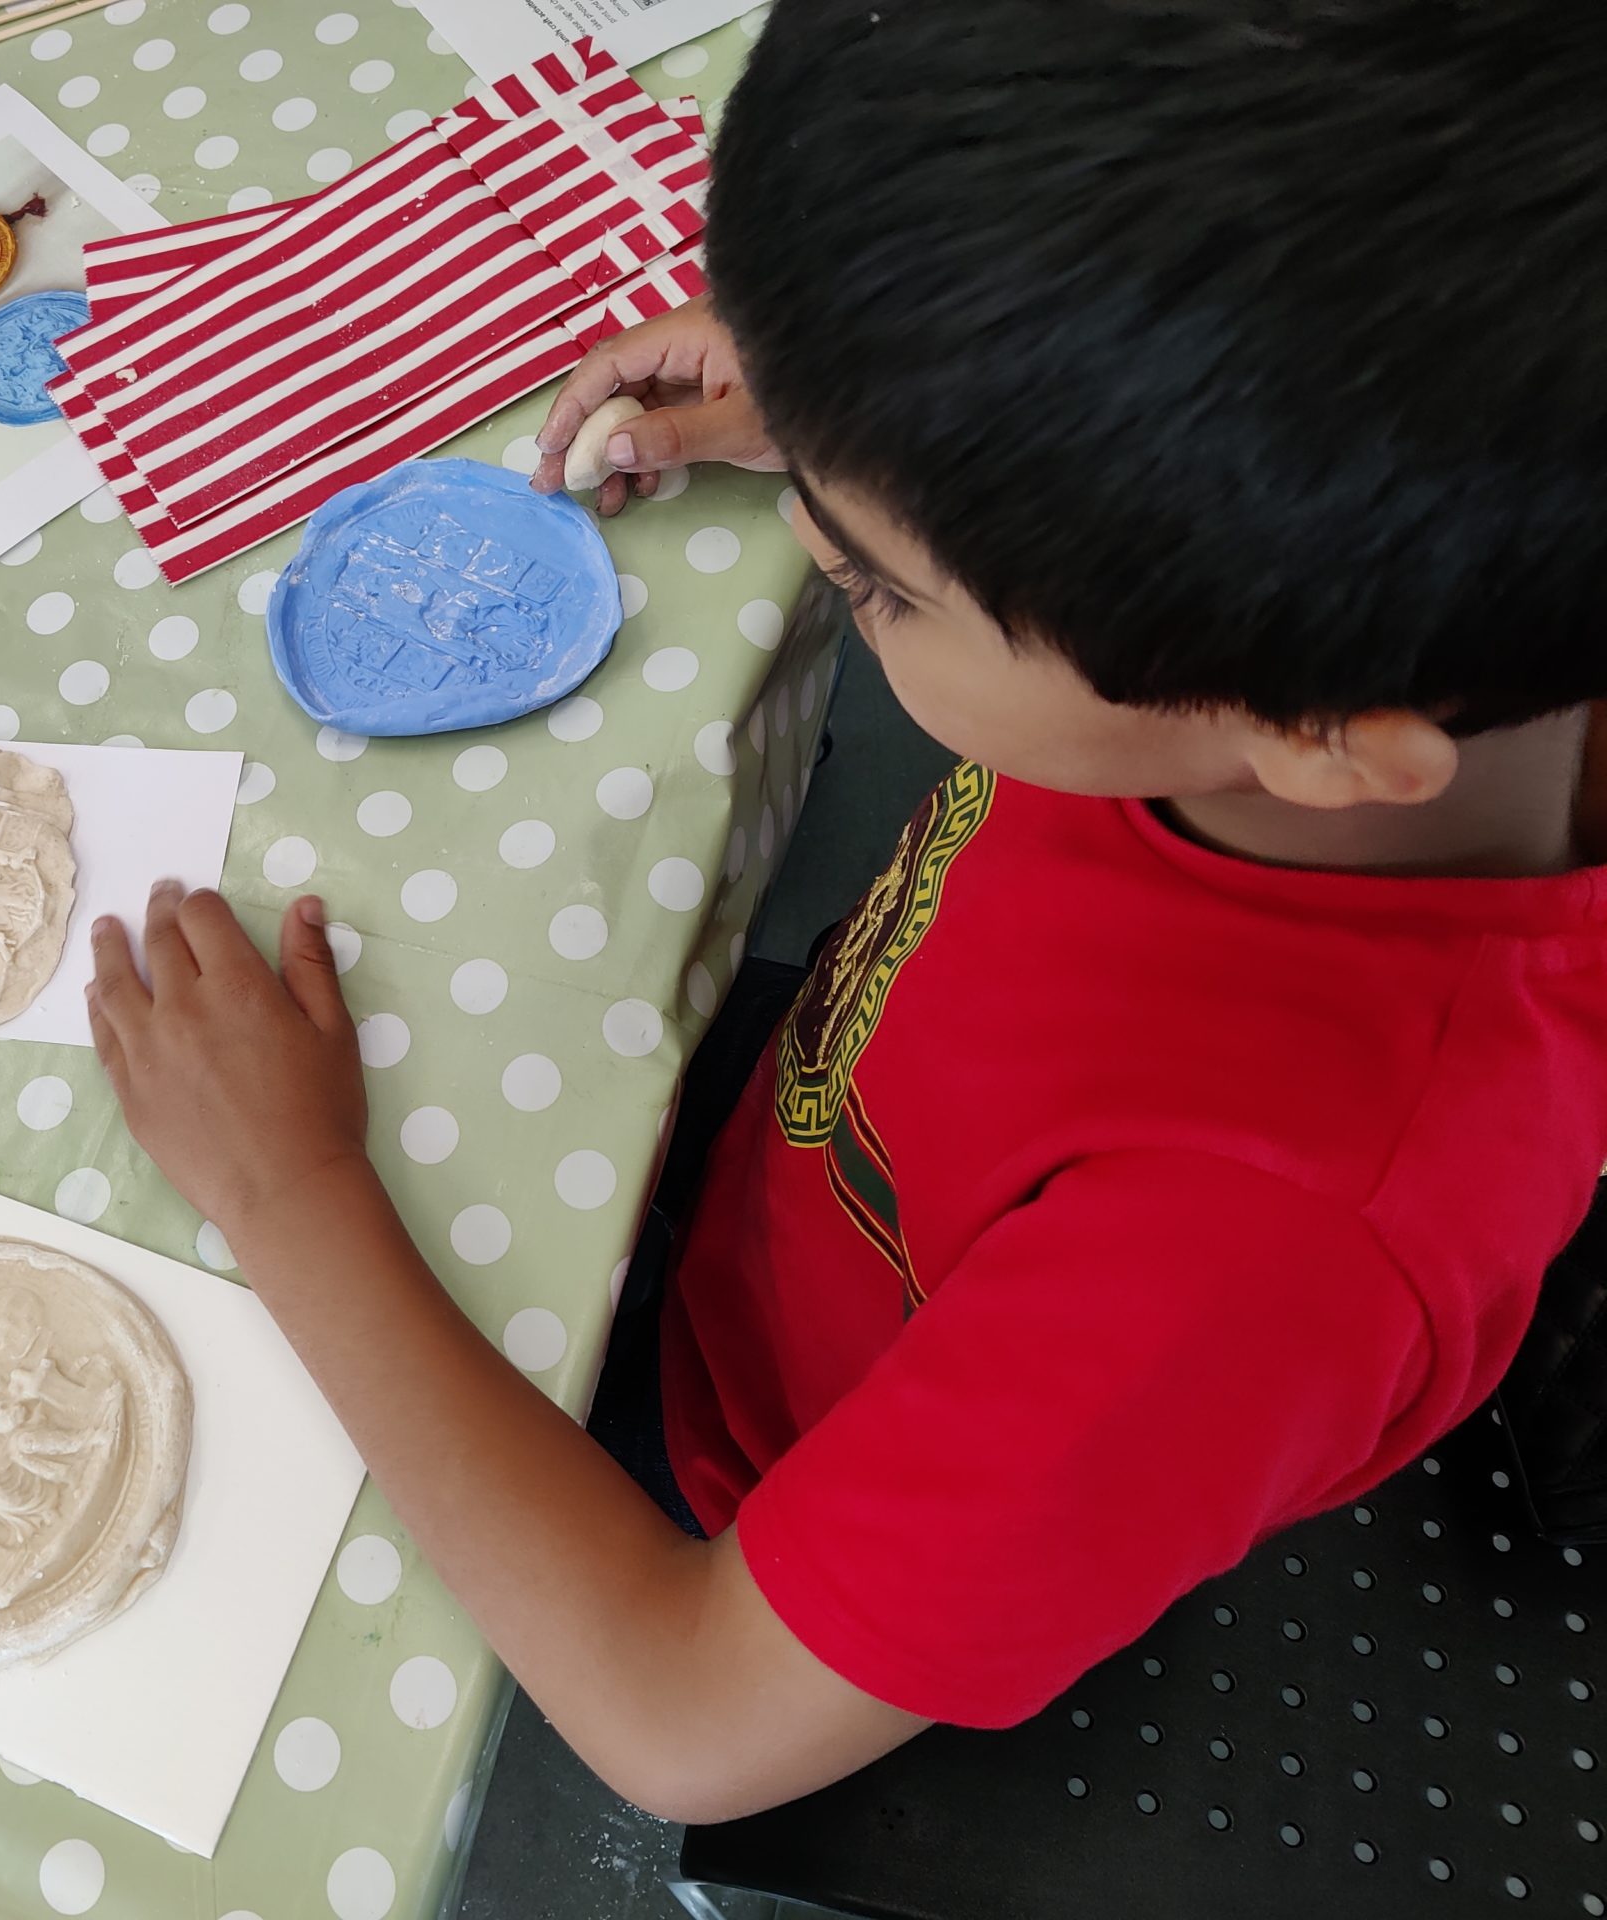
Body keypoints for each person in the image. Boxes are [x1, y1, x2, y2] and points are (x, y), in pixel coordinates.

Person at [84, 0, 1607, 1821]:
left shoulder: (1259, 1255)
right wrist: (884, 411)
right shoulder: (1418, 627)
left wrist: (292, 1191)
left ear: (1312, 736)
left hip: (749, 1492)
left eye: (876, 583)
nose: (813, 544)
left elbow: (683, 1720)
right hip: (818, 1187)